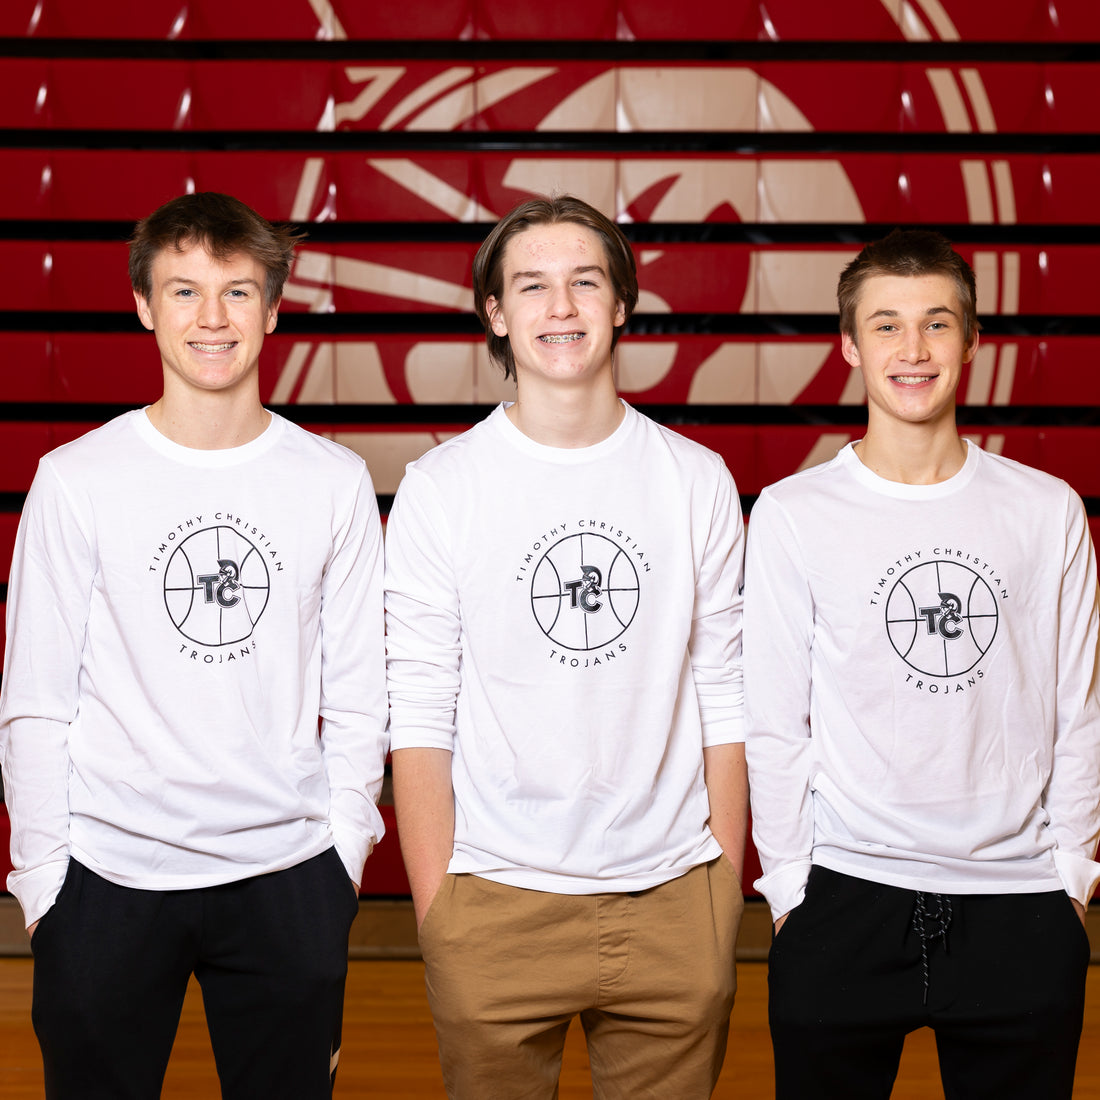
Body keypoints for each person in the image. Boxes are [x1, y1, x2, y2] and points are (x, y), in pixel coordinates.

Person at [0, 192, 388, 1099]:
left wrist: (343, 855)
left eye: (238, 292)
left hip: (289, 877)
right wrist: (45, 884)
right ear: (144, 306)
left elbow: (363, 696)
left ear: (274, 307)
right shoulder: (76, 479)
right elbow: (35, 699)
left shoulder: (333, 481)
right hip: (105, 880)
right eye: (184, 292)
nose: (212, 319)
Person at [384, 195, 747, 1099]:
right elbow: (419, 711)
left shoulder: (696, 479)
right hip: (494, 903)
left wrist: (723, 895)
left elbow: (727, 695)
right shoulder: (442, 487)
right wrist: (441, 916)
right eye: (532, 286)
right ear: (497, 316)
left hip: (675, 899)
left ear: (621, 303)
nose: (562, 307)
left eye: (585, 282)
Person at [744, 228, 1100, 1099]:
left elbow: (1079, 707)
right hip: (845, 899)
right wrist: (791, 890)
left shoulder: (1045, 510)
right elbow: (773, 719)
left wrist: (1072, 880)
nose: (913, 350)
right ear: (850, 344)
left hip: (1020, 905)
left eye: (937, 325)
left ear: (972, 341)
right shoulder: (795, 514)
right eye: (888, 326)